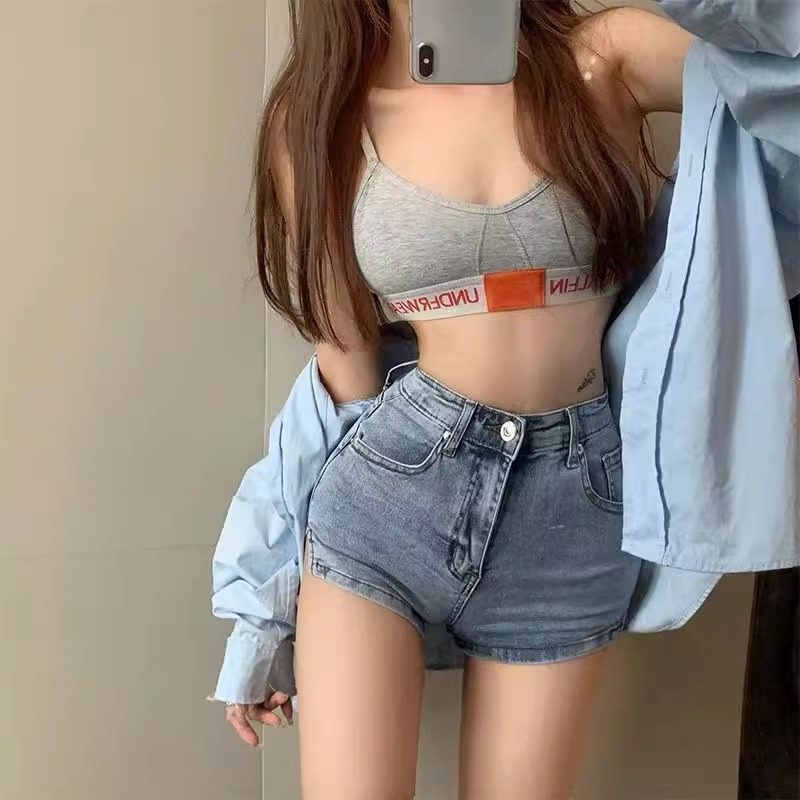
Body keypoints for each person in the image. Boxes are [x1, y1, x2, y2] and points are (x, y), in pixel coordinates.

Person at [213, 2, 800, 798]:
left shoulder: (603, 57)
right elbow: (341, 387)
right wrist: (264, 605)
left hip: (575, 508)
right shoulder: (319, 112)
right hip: (389, 496)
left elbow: (776, 72)